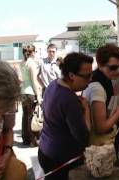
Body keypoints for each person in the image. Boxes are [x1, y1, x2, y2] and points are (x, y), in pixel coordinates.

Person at [38, 52, 92, 180]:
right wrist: (86, 110)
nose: (90, 79)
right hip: (61, 159)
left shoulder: (53, 84)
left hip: (46, 150)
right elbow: (84, 136)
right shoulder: (69, 99)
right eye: (87, 76)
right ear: (72, 75)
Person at [83, 44, 119, 146]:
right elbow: (101, 127)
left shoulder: (104, 79)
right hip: (97, 146)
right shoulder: (97, 88)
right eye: (113, 67)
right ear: (100, 65)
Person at [20, 44, 42, 146]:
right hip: (30, 93)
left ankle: (25, 139)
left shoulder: (22, 63)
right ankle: (34, 140)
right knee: (32, 117)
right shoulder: (31, 63)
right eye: (35, 51)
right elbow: (34, 81)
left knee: (25, 116)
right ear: (32, 52)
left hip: (23, 92)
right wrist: (38, 95)